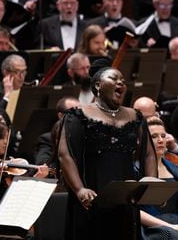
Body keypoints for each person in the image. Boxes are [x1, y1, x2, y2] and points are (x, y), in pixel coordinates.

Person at [58, 67, 157, 240]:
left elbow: (148, 154)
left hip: (125, 199)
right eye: (114, 78)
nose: (120, 83)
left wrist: (153, 185)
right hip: (92, 197)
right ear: (97, 85)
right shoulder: (78, 115)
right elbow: (65, 155)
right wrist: (79, 189)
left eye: (123, 81)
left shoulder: (136, 116)